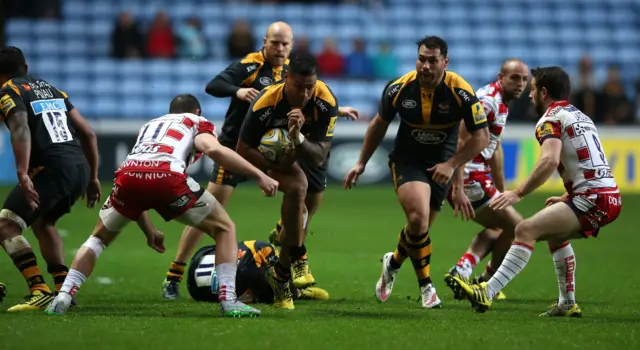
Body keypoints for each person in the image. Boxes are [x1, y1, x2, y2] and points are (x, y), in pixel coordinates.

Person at [162, 22, 358, 299]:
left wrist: (337, 110)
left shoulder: (293, 72)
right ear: (264, 42)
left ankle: (286, 259)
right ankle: (174, 275)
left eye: (284, 44)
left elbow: (314, 97)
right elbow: (213, 85)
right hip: (234, 147)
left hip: (273, 146)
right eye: (274, 43)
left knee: (307, 200)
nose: (279, 49)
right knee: (210, 209)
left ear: (292, 46)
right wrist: (237, 91)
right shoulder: (250, 65)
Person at [44, 94, 279, 318]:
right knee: (224, 228)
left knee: (98, 239)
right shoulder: (195, 121)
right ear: (197, 111)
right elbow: (214, 149)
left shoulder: (150, 125)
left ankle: (64, 295)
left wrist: (149, 231)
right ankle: (229, 301)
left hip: (127, 177)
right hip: (168, 177)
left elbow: (142, 182)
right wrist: (259, 175)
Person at [450, 66, 622, 317]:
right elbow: (591, 164)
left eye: (532, 89)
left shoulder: (550, 119)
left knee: (524, 229)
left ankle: (486, 292)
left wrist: (518, 192)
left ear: (543, 92)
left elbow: (549, 161)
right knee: (554, 233)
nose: (529, 95)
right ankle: (566, 303)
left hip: (592, 198)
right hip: (609, 196)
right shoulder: (580, 116)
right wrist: (567, 197)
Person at [344, 36, 490, 309]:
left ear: (445, 62)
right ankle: (427, 287)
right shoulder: (399, 88)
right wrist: (361, 162)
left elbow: (480, 138)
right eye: (422, 59)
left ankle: (393, 262)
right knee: (418, 218)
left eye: (432, 61)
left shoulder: (461, 91)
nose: (425, 66)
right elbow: (378, 124)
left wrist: (453, 169)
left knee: (418, 230)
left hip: (442, 166)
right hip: (408, 160)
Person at [0, 46, 100, 312]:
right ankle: (62, 288)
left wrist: (22, 172)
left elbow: (20, 127)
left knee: (6, 225)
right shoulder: (53, 90)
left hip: (52, 168)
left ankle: (39, 290)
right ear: (27, 68)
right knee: (43, 222)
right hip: (79, 167)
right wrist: (93, 178)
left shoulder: (9, 91)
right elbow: (88, 133)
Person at [236, 53, 338, 310]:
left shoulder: (326, 100)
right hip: (272, 157)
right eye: (299, 86)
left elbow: (319, 156)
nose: (305, 93)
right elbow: (243, 149)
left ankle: (282, 261)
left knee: (307, 210)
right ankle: (294, 262)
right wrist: (273, 166)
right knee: (297, 188)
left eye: (310, 86)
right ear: (285, 79)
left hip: (309, 149)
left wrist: (297, 137)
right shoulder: (266, 101)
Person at [443, 59, 530, 301]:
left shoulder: (500, 103)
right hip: (470, 177)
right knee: (519, 228)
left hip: (479, 177)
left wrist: (501, 191)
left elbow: (494, 149)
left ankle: (462, 270)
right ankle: (487, 282)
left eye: (524, 79)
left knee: (499, 227)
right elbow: (461, 142)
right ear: (501, 77)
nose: (521, 84)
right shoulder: (487, 102)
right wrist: (458, 187)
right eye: (515, 77)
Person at [187, 240, 329, 304]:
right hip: (195, 286)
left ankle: (297, 292)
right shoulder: (244, 294)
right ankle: (299, 293)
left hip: (199, 263)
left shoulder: (260, 253)